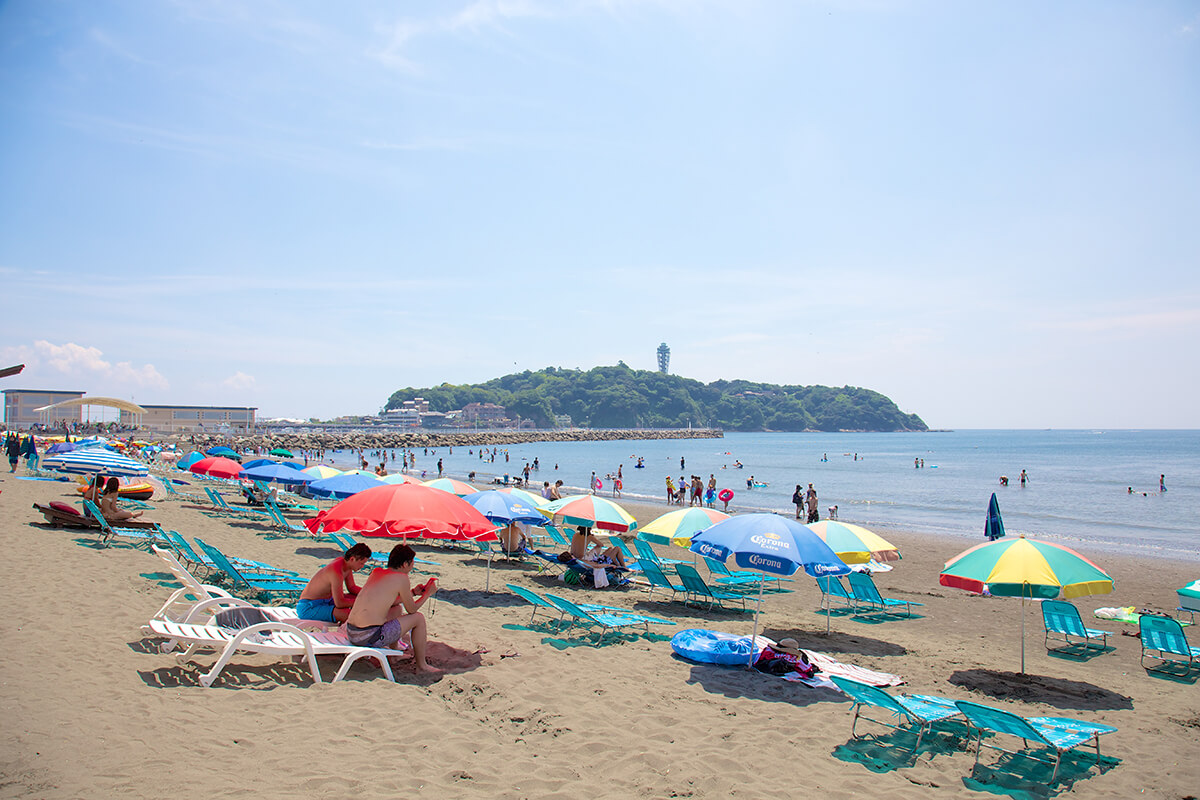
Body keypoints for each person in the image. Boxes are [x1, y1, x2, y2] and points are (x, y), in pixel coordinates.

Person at [345, 544, 439, 673]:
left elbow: (387, 601)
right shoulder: (402, 578)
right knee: (418, 618)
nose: (412, 567)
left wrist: (413, 593)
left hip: (352, 632)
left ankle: (394, 656)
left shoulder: (376, 572)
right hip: (368, 637)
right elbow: (412, 610)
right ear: (405, 564)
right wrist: (427, 594)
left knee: (396, 609)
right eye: (412, 563)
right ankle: (422, 665)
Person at [297, 543, 371, 623]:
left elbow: (352, 587)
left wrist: (369, 594)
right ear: (352, 559)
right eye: (361, 563)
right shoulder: (336, 571)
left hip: (326, 601)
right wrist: (362, 602)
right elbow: (339, 603)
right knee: (348, 614)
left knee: (356, 597)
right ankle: (346, 629)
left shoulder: (346, 565)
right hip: (309, 607)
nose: (362, 566)